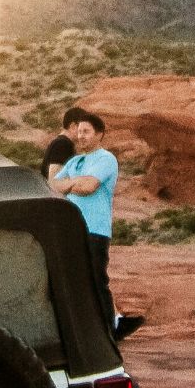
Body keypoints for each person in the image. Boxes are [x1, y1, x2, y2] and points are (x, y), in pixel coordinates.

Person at [46, 110, 144, 341]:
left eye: (86, 132)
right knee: (74, 279)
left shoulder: (106, 159)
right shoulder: (75, 161)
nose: (81, 136)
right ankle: (87, 329)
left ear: (99, 134)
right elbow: (51, 186)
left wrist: (69, 184)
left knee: (96, 280)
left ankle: (109, 330)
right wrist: (75, 183)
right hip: (72, 229)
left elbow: (89, 187)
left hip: (95, 229)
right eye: (79, 131)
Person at [39, 108, 80, 180]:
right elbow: (54, 180)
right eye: (82, 127)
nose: (83, 133)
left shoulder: (61, 143)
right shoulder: (62, 144)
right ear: (73, 126)